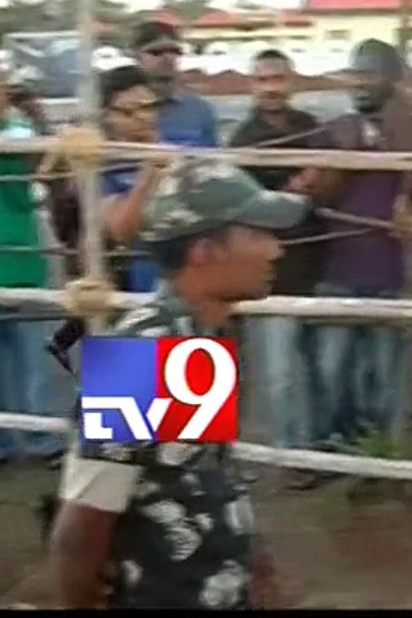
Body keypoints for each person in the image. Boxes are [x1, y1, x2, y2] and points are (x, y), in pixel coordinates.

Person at [49, 156, 311, 608]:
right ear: (204, 251)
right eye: (257, 234)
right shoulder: (143, 353)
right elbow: (81, 527)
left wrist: (251, 562)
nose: (276, 250)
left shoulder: (200, 338)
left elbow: (203, 473)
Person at [298, 39, 412, 449]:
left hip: (387, 271)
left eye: (369, 74)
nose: (358, 84)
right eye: (354, 74)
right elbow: (316, 196)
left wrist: (403, 142)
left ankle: (378, 454)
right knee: (331, 369)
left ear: (392, 81)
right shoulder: (335, 130)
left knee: (382, 375)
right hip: (338, 270)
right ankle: (336, 447)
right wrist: (345, 152)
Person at [228, 49, 328, 488]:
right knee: (278, 370)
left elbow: (330, 185)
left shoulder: (311, 127)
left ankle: (317, 448)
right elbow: (248, 207)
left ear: (292, 81)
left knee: (314, 366)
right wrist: (294, 192)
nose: (271, 87)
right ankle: (292, 456)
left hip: (312, 263)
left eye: (278, 78)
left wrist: (314, 186)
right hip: (263, 273)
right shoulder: (244, 139)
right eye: (262, 79)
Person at [44, 65, 171, 372]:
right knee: (126, 412)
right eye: (130, 111)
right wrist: (150, 174)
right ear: (108, 115)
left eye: (149, 107)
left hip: (177, 299)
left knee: (189, 415)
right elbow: (119, 229)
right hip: (124, 302)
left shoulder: (173, 149)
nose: (144, 118)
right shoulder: (96, 162)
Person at [0, 54, 66, 483]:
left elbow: (34, 179)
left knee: (36, 363)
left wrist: (11, 117)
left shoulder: (16, 131)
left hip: (23, 262)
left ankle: (44, 439)